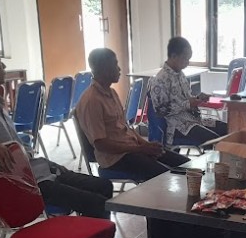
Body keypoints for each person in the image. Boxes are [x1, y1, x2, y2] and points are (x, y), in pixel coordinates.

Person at [0, 39, 118, 238]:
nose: (3, 66)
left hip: (37, 172)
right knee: (94, 201)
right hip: (21, 185)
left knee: (103, 186)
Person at [75, 48, 189, 180]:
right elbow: (101, 144)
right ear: (103, 69)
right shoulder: (92, 101)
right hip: (115, 159)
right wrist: (139, 149)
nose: (119, 69)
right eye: (115, 64)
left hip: (131, 150)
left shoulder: (112, 93)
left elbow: (126, 128)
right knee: (168, 177)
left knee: (185, 164)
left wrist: (145, 145)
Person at [148, 36, 226, 145]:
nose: (187, 62)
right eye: (185, 58)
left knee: (226, 128)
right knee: (214, 140)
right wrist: (188, 104)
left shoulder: (180, 75)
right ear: (174, 56)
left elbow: (186, 98)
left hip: (193, 119)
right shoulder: (160, 80)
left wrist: (198, 98)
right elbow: (161, 111)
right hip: (178, 126)